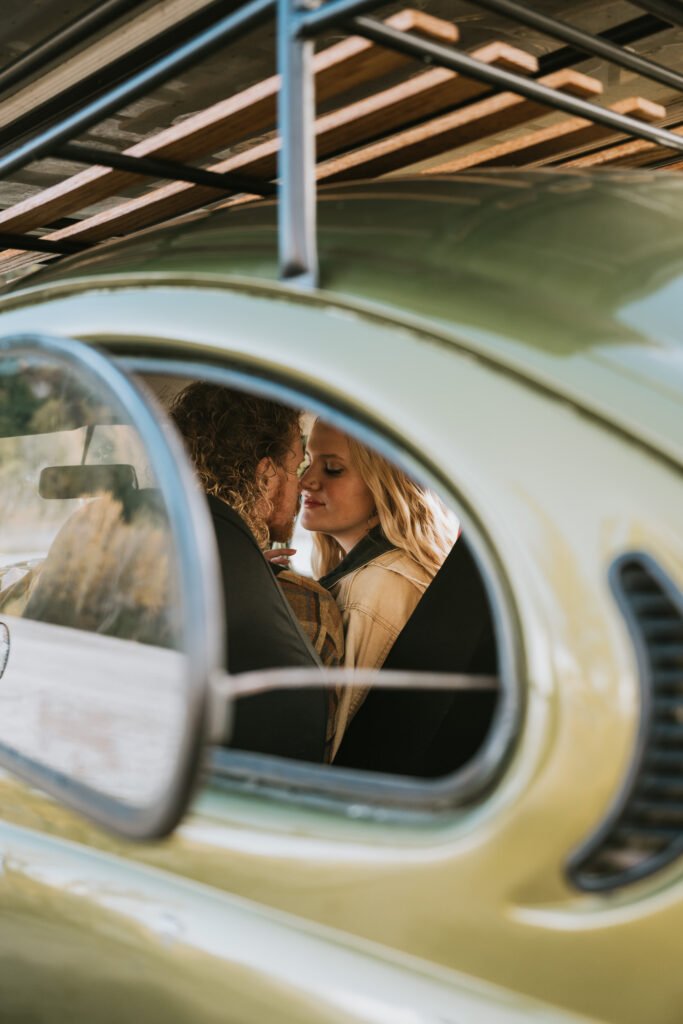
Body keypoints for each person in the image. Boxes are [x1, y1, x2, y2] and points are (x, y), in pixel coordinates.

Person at [170, 384, 343, 762]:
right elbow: (322, 756)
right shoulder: (307, 608)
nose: (303, 484)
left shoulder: (100, 558)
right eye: (296, 467)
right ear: (265, 478)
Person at [299, 420, 458, 759]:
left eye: (332, 468)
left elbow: (340, 751)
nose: (306, 480)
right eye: (307, 460)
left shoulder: (377, 590)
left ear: (383, 487)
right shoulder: (367, 576)